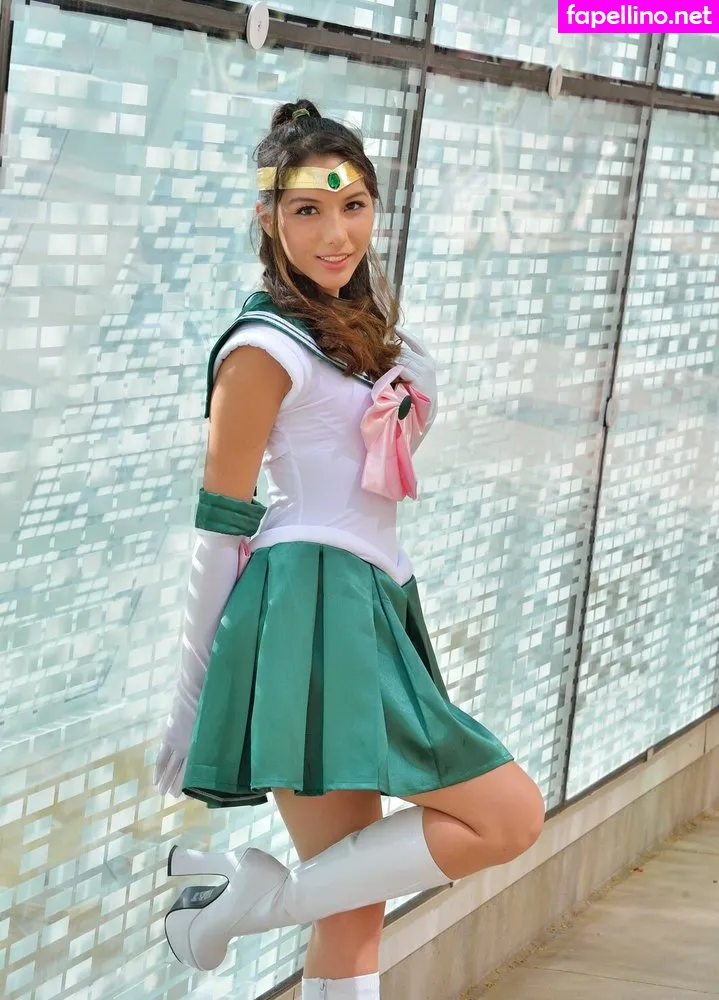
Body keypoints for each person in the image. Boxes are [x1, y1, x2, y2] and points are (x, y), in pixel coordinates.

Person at [153, 99, 545, 999]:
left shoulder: (358, 334)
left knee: (354, 908)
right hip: (307, 606)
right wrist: (190, 703)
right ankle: (238, 907)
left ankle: (239, 904)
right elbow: (221, 526)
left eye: (353, 205)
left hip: (370, 597)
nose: (336, 233)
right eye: (307, 210)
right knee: (507, 815)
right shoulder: (261, 349)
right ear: (267, 218)